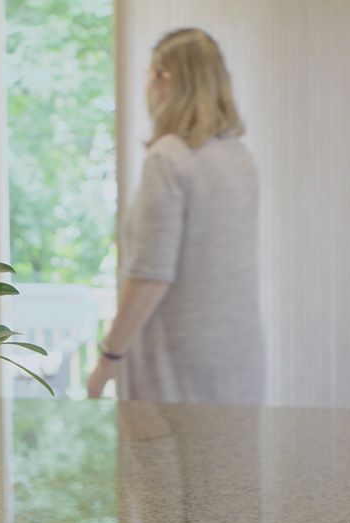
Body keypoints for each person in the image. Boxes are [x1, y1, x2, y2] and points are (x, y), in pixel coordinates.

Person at [87, 28, 265, 404]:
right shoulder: (237, 156)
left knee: (168, 465)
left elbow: (150, 276)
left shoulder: (168, 158)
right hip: (239, 357)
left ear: (165, 81)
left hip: (178, 366)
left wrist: (108, 359)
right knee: (230, 462)